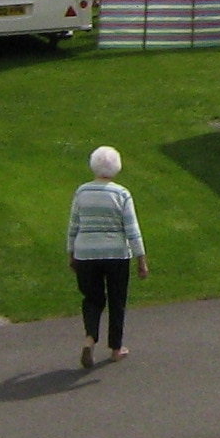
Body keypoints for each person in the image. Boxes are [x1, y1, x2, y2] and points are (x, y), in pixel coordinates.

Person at [67, 145, 148, 367]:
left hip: (86, 253)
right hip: (116, 254)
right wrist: (141, 259)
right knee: (116, 300)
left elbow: (74, 225)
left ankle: (90, 337)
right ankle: (116, 347)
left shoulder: (82, 192)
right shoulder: (121, 194)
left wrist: (71, 252)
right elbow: (132, 229)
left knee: (92, 299)